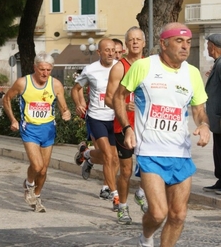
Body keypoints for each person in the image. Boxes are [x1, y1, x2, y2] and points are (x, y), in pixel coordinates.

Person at [113, 22, 210, 247]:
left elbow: (199, 110)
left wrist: (204, 126)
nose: (185, 47)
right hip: (150, 152)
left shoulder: (192, 73)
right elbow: (119, 97)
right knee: (157, 213)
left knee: (178, 216)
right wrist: (127, 127)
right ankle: (146, 238)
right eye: (179, 41)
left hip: (181, 153)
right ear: (163, 44)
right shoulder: (144, 67)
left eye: (188, 42)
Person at [3, 51, 71, 213]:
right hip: (30, 129)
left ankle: (37, 196)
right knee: (37, 165)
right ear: (35, 67)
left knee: (44, 169)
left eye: (48, 70)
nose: (45, 73)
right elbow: (6, 99)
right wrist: (13, 120)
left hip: (48, 129)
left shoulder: (55, 85)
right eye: (42, 70)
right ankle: (29, 184)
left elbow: (63, 105)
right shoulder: (23, 83)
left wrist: (66, 112)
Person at [105, 27, 148, 224]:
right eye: (131, 40)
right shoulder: (120, 67)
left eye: (138, 39)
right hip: (124, 126)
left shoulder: (151, 66)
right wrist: (122, 104)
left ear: (144, 43)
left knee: (151, 167)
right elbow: (108, 98)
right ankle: (122, 206)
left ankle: (141, 192)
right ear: (126, 45)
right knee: (127, 171)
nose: (135, 43)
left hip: (148, 125)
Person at [71, 38, 119, 211]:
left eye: (113, 50)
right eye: (107, 50)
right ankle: (114, 195)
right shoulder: (91, 70)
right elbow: (75, 89)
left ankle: (88, 154)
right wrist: (79, 104)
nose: (111, 53)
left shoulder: (120, 67)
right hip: (97, 117)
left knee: (115, 158)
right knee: (108, 156)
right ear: (99, 52)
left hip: (115, 117)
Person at [203, 34, 221, 193]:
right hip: (216, 118)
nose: (207, 47)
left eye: (208, 45)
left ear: (214, 47)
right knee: (218, 151)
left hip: (220, 117)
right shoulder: (217, 63)